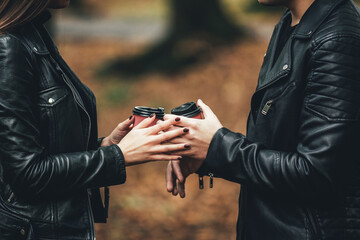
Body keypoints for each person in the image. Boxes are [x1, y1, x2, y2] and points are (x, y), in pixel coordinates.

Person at [166, 0, 360, 239]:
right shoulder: (291, 23)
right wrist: (205, 152)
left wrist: (219, 147)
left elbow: (316, 175)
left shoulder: (337, 40)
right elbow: (277, 143)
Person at [0, 0, 191, 239]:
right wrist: (117, 156)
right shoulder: (9, 45)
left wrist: (105, 145)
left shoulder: (33, 32)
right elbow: (27, 175)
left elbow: (41, 142)